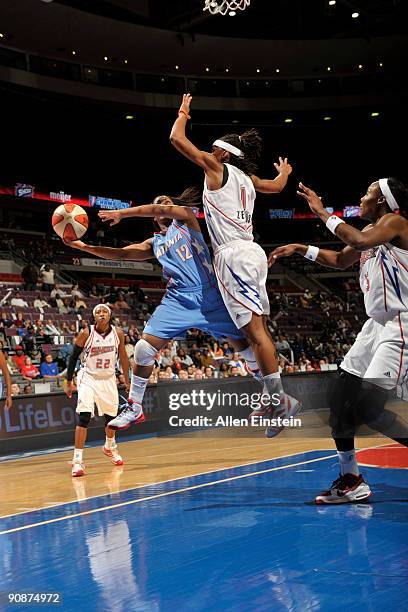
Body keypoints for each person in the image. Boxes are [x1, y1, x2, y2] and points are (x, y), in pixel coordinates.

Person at [65, 188, 263, 430]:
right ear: (154, 218)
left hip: (209, 294)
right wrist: (84, 247)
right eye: (159, 205)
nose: (163, 206)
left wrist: (122, 213)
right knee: (143, 348)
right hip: (177, 300)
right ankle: (135, 406)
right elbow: (121, 253)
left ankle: (270, 391)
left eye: (166, 202)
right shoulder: (155, 243)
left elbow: (163, 208)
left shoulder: (187, 219)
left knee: (245, 348)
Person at [270, 177, 408, 503]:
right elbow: (338, 260)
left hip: (401, 326)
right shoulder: (375, 235)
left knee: (370, 409)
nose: (362, 196)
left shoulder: (396, 222)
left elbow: (357, 241)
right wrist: (302, 248)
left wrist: (321, 211)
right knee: (340, 398)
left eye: (368, 193)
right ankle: (351, 478)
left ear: (384, 202)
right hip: (375, 326)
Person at [169, 93, 301, 435]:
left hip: (233, 256)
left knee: (254, 332)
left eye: (214, 149)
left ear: (225, 154)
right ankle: (270, 395)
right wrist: (285, 172)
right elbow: (275, 186)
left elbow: (176, 139)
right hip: (250, 252)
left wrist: (184, 111)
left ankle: (279, 400)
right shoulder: (250, 180)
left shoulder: (218, 168)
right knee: (243, 330)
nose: (210, 154)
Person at [65, 304, 130, 477]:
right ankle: (77, 461)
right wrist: (68, 380)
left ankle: (110, 447)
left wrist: (128, 381)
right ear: (94, 317)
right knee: (84, 416)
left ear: (109, 316)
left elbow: (123, 357)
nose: (102, 314)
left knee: (111, 419)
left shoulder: (118, 334)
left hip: (108, 378)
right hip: (88, 377)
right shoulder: (87, 333)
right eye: (98, 312)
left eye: (105, 312)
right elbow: (73, 357)